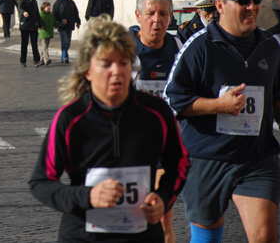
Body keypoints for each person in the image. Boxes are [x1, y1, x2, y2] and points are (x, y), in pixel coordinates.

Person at [29, 16, 189, 243]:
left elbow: (180, 163)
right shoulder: (70, 119)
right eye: (106, 64)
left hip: (142, 236)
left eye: (123, 63)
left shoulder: (157, 113)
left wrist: (163, 198)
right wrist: (88, 196)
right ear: (87, 71)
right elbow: (41, 182)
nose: (117, 71)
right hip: (82, 236)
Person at [164, 0, 280, 243]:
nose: (252, 7)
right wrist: (219, 105)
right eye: (243, 1)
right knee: (207, 240)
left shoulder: (270, 47)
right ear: (220, 6)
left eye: (256, 0)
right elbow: (173, 99)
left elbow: (276, 96)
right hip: (207, 158)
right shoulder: (198, 46)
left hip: (256, 158)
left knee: (264, 237)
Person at [130, 0, 182, 243]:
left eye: (163, 14)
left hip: (164, 144)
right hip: (128, 146)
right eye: (150, 13)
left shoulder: (180, 49)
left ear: (171, 17)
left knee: (163, 221)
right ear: (138, 15)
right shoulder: (123, 50)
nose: (156, 20)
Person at [52, 0, 81, 64]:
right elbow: (54, 15)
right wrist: (60, 21)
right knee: (64, 41)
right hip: (62, 26)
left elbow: (75, 12)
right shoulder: (57, 3)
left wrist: (78, 21)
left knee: (68, 42)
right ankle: (65, 57)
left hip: (70, 24)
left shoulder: (71, 2)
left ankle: (64, 56)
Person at [18, 0, 43, 67]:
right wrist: (23, 12)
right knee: (24, 44)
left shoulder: (34, 1)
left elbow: (37, 13)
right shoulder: (23, 0)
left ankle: (36, 60)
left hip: (33, 25)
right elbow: (20, 8)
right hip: (25, 25)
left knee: (34, 44)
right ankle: (23, 61)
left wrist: (40, 24)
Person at [38, 1, 62, 66]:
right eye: (47, 6)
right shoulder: (40, 15)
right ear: (43, 8)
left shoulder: (50, 15)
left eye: (49, 6)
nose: (48, 7)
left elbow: (54, 23)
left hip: (49, 32)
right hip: (44, 32)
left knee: (45, 46)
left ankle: (41, 58)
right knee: (45, 46)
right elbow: (37, 23)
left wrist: (62, 24)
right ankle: (46, 59)